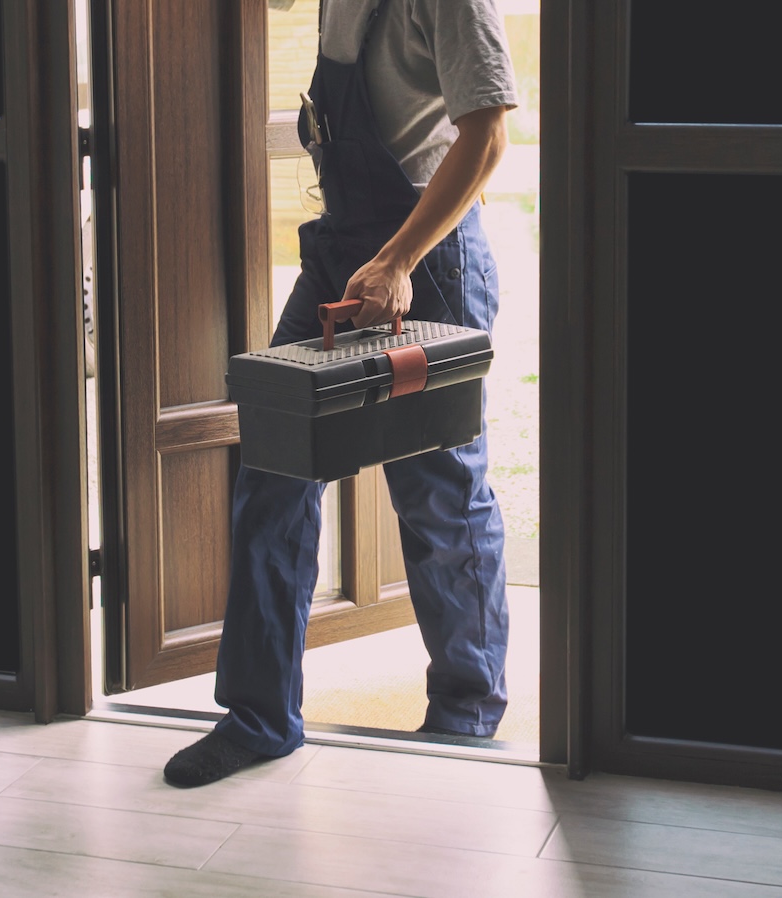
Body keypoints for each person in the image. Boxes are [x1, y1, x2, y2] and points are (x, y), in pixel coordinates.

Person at [164, 0, 518, 787]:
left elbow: (488, 133)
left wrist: (396, 261)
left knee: (439, 492)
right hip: (339, 256)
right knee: (273, 470)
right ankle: (258, 716)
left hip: (426, 264)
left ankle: (465, 716)